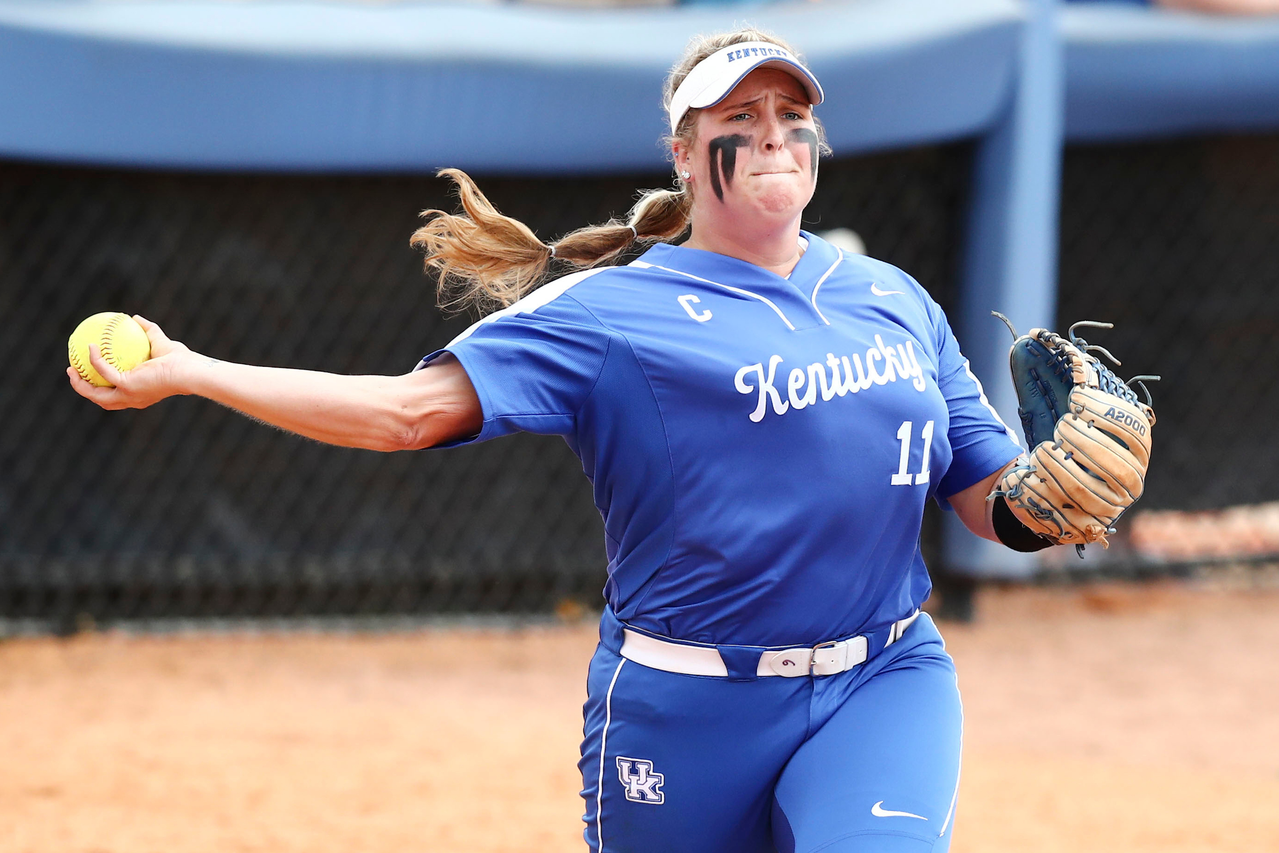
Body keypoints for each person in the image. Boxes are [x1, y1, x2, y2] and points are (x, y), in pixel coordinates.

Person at [71, 28, 1055, 853]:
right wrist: (194, 370)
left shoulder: (892, 297)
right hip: (684, 706)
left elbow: (987, 497)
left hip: (881, 677)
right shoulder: (608, 313)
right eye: (737, 120)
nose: (772, 136)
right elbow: (406, 414)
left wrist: (1052, 496)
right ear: (682, 152)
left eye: (789, 117)